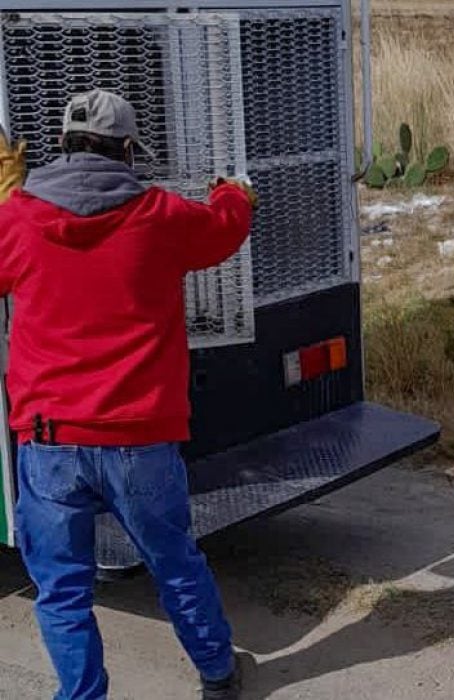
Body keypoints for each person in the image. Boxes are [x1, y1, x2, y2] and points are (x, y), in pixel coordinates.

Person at [0, 89, 257, 700]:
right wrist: (233, 191)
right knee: (175, 565)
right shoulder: (162, 216)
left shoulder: (18, 220)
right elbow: (225, 228)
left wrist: (7, 200)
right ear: (128, 152)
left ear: (60, 143)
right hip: (140, 441)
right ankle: (218, 676)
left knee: (62, 591)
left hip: (49, 440)